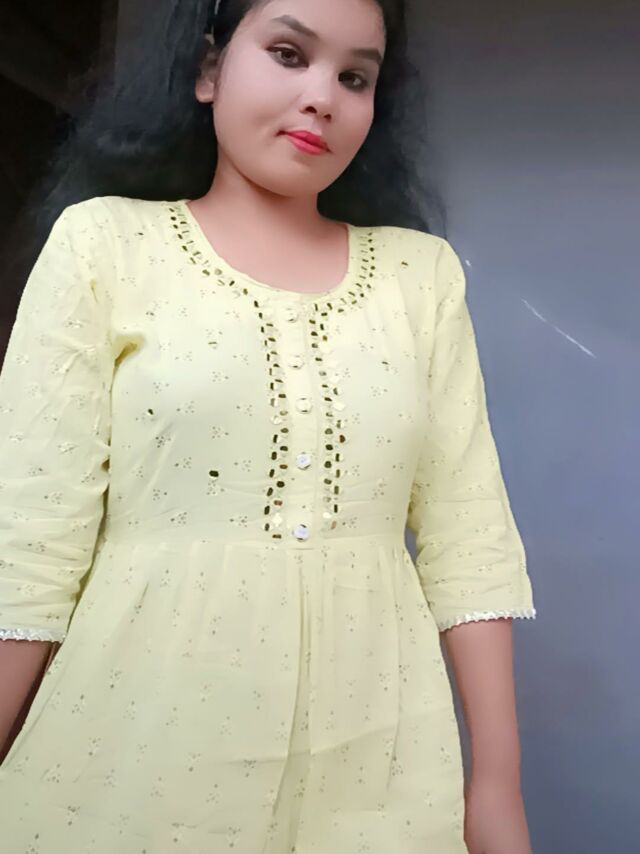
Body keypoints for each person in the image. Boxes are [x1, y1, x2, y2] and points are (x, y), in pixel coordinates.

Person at [0, 0, 537, 851]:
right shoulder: (104, 247)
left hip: (379, 768)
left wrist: (497, 786)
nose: (323, 95)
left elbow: (469, 541)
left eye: (354, 76)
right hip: (133, 761)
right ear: (209, 68)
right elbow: (31, 542)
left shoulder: (421, 280)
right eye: (289, 53)